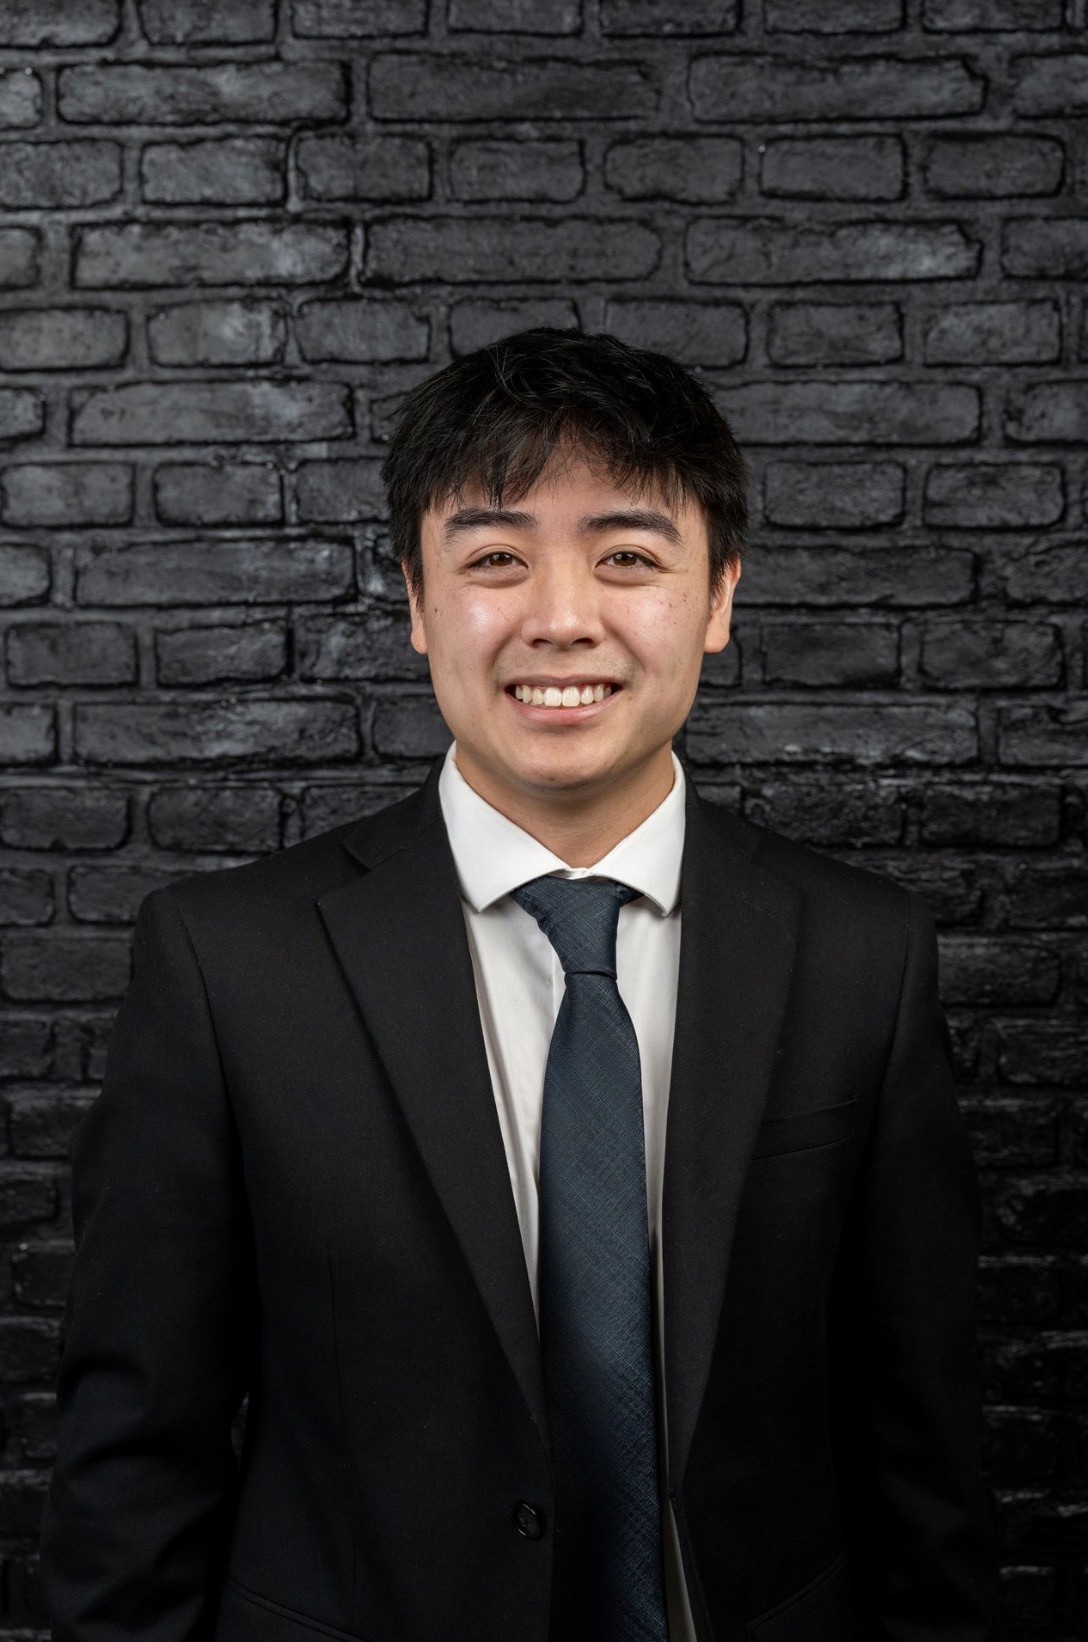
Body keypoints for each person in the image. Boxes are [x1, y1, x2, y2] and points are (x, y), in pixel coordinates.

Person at [40, 328, 999, 1642]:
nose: (561, 615)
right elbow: (134, 1462)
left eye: (626, 556)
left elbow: (925, 1461)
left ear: (718, 595)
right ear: (420, 599)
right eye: (495, 556)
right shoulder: (227, 963)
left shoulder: (859, 957)